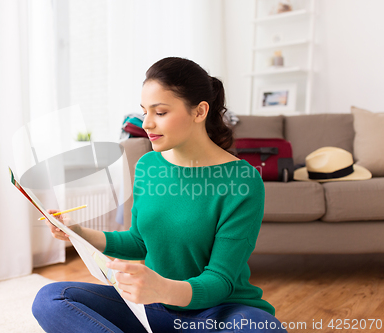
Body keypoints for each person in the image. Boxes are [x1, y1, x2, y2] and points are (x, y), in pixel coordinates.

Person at [32, 57, 288, 333]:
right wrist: (77, 232)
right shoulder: (148, 166)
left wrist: (162, 288)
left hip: (219, 312)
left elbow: (220, 279)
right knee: (52, 299)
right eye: (144, 111)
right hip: (153, 309)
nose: (146, 124)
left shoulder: (242, 180)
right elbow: (139, 241)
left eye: (160, 112)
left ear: (200, 111)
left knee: (262, 329)